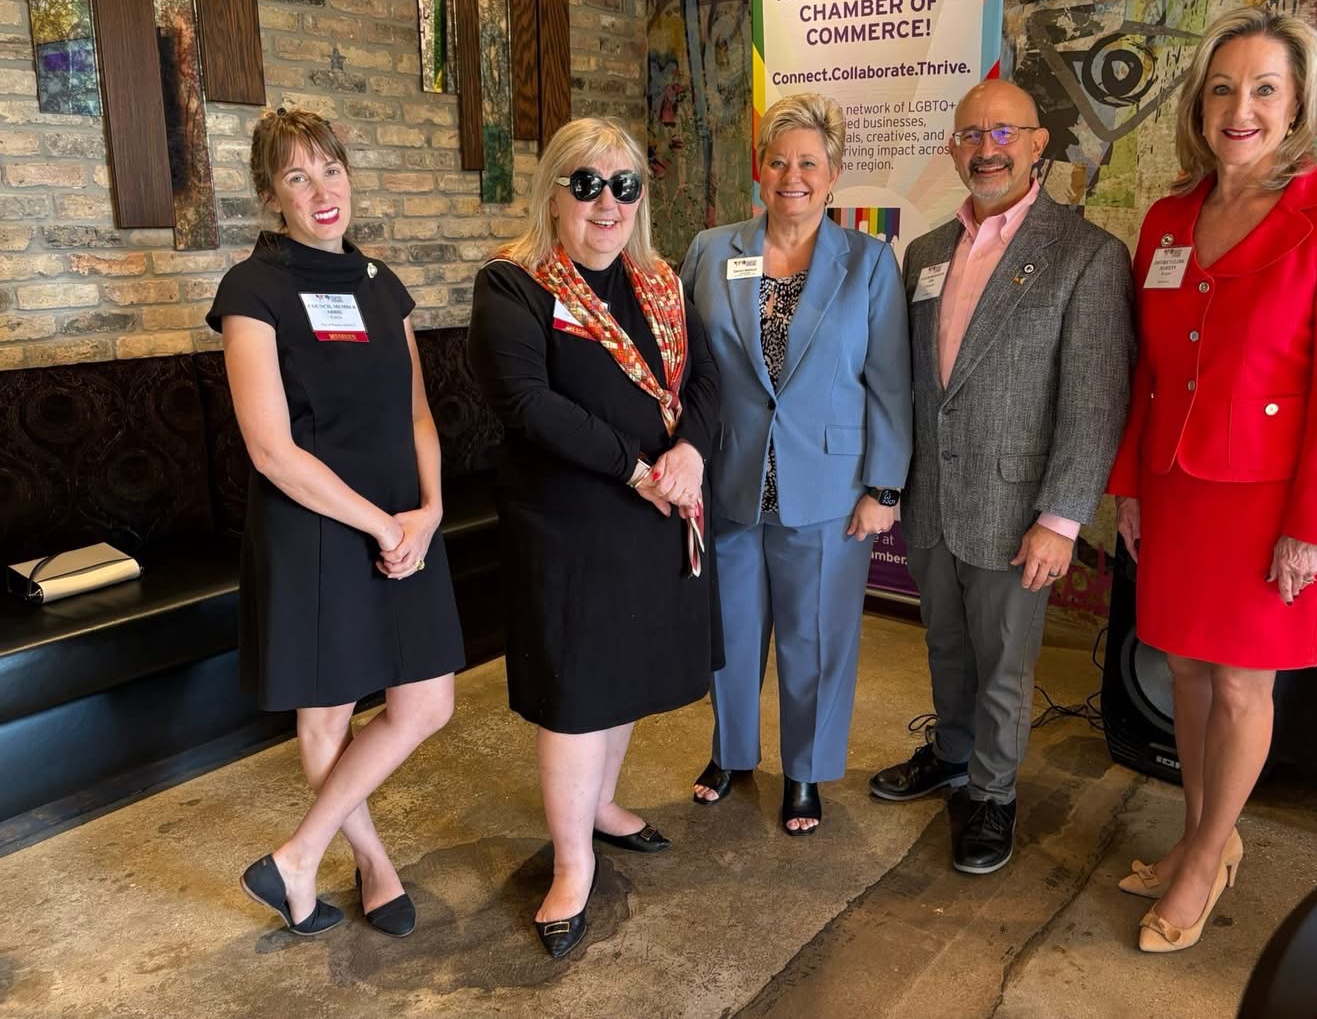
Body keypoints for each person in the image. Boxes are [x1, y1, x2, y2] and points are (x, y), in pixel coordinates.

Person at [1108, 7, 1317, 953]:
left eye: (1266, 89)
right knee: (1184, 670)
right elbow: (1147, 371)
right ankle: (1203, 833)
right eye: (1224, 88)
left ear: (1298, 103)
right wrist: (1129, 482)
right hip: (1176, 485)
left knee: (1239, 686)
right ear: (1200, 105)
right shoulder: (1168, 219)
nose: (1242, 109)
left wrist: (1316, 524)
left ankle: (1205, 855)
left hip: (1271, 500)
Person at [467, 117, 720, 958]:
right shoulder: (513, 284)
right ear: (553, 194)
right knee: (577, 694)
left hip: (653, 510)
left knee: (623, 678)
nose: (607, 203)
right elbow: (528, 404)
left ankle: (603, 804)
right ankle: (571, 863)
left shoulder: (660, 284)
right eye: (586, 184)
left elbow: (705, 384)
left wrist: (689, 452)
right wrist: (637, 468)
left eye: (624, 185)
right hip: (569, 523)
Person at [869, 80, 1134, 877]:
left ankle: (991, 793)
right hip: (932, 500)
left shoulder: (1086, 255)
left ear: (1037, 144)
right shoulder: (925, 253)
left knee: (1005, 666)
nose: (987, 149)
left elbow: (1095, 401)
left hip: (1017, 510)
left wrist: (1061, 519)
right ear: (953, 149)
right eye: (971, 134)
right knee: (947, 647)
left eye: (1004, 133)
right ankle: (952, 754)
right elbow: (914, 385)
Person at [210, 108, 463, 940]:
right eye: (297, 176)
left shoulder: (381, 285)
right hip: (315, 526)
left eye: (330, 169)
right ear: (271, 195)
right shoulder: (252, 291)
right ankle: (371, 862)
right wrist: (379, 525)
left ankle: (295, 856)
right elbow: (270, 449)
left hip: (404, 519)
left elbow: (418, 413)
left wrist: (428, 510)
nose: (321, 190)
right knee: (326, 718)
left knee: (426, 702)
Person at [680, 92, 912, 835]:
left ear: (834, 173)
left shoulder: (868, 262)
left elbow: (890, 380)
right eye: (778, 161)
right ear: (760, 168)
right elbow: (684, 367)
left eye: (809, 163)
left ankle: (806, 770)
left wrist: (884, 486)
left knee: (816, 637)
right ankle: (731, 752)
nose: (792, 176)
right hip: (729, 474)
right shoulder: (711, 251)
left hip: (830, 483)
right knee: (730, 632)